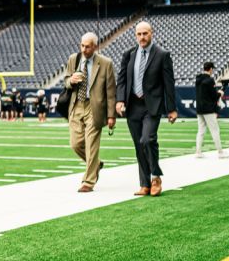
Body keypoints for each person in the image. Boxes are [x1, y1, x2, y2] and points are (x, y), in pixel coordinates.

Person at [115, 22, 177, 197]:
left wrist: (171, 109)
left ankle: (156, 177)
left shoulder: (162, 55)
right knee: (138, 145)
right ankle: (144, 183)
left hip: (152, 105)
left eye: (145, 34)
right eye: (139, 34)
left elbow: (169, 84)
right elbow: (121, 80)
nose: (142, 37)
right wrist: (119, 100)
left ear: (152, 33)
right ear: (135, 35)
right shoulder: (128, 54)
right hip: (133, 106)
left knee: (147, 140)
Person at [63, 32, 117, 192]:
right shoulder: (74, 59)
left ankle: (88, 181)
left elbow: (111, 91)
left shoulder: (106, 63)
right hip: (76, 105)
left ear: (95, 46)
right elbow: (66, 80)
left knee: (92, 144)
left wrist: (111, 115)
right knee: (75, 144)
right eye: (82, 46)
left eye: (88, 46)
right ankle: (96, 165)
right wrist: (70, 81)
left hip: (95, 107)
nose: (84, 49)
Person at [194, 61, 229, 158]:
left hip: (199, 108)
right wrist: (220, 93)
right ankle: (220, 152)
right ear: (210, 69)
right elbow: (214, 96)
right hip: (208, 109)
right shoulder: (210, 80)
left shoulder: (198, 78)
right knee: (215, 130)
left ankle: (198, 152)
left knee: (201, 131)